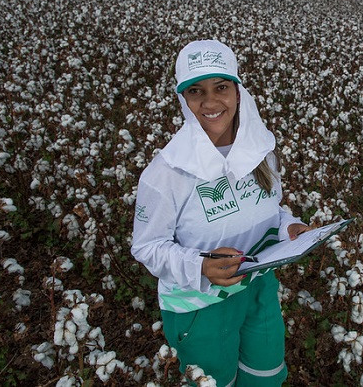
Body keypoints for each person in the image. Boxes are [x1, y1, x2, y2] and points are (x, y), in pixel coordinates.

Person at [131, 39, 310, 386]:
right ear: (183, 100)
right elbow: (147, 246)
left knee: (264, 376)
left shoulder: (261, 152)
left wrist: (290, 226)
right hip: (200, 307)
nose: (211, 102)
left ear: (239, 92)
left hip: (258, 290)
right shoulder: (166, 171)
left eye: (221, 87)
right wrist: (201, 266)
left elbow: (268, 209)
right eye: (196, 91)